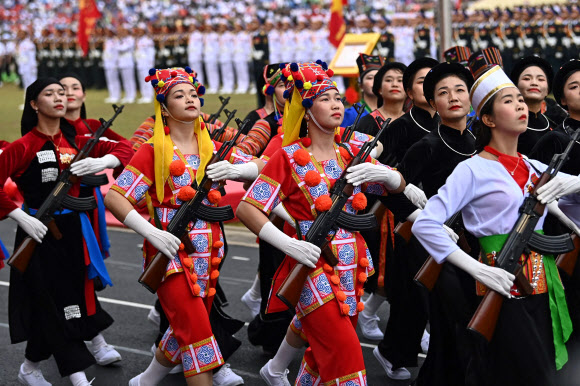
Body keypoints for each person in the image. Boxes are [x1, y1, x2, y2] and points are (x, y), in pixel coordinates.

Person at [236, 61, 405, 385]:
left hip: (351, 267)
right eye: (326, 99)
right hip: (311, 265)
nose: (336, 104)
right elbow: (248, 208)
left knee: (319, 358)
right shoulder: (286, 157)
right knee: (347, 358)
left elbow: (391, 186)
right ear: (307, 110)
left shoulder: (349, 154)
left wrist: (391, 176)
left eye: (338, 98)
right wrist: (288, 243)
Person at [413, 62, 578, 386]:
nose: (519, 104)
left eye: (519, 99)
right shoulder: (472, 169)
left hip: (542, 285)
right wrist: (477, 270)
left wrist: (573, 184)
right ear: (487, 119)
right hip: (499, 281)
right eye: (508, 100)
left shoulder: (533, 167)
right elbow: (426, 225)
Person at [104, 67, 258, 386]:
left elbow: (269, 163)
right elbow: (116, 199)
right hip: (169, 255)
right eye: (178, 95)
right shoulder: (152, 150)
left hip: (208, 256)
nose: (189, 98)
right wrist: (151, 232)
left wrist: (243, 169)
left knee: (182, 331)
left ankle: (146, 380)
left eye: (192, 93)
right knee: (199, 336)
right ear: (163, 107)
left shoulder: (213, 150)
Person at [0, 77, 133, 386]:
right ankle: (78, 377)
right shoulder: (22, 147)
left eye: (62, 93)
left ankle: (30, 368)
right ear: (34, 104)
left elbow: (127, 148)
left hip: (74, 233)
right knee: (56, 305)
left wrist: (104, 159)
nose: (60, 98)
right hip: (38, 235)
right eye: (50, 94)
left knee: (71, 301)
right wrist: (20, 215)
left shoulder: (76, 141)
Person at [510, 56, 554, 155]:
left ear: (547, 90)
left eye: (541, 79)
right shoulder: (505, 124)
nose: (534, 83)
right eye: (527, 78)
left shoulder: (554, 125)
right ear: (515, 86)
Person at [341, 54, 383, 128]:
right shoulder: (350, 115)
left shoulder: (392, 111)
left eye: (378, 78)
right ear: (361, 85)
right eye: (370, 78)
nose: (375, 81)